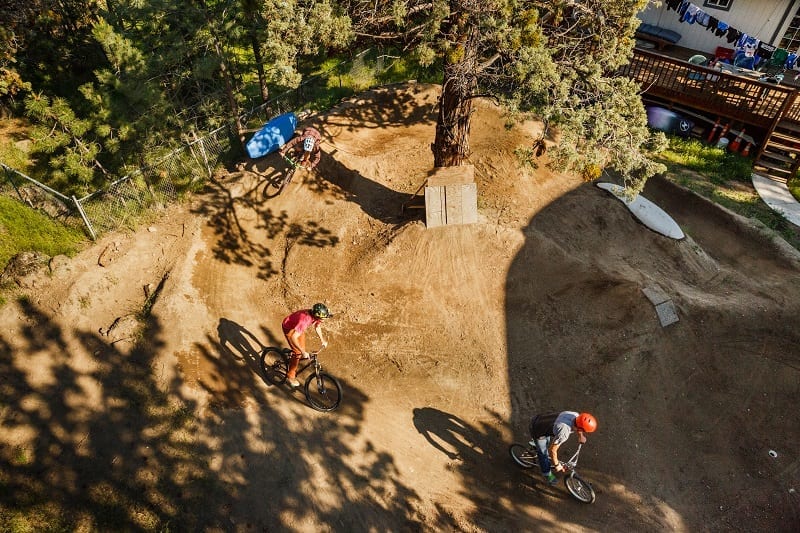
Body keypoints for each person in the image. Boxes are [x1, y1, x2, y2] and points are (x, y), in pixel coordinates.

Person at [528, 411, 598, 485]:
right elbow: (552, 450)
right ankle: (547, 474)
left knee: (546, 442)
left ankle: (536, 445)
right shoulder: (564, 432)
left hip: (541, 419)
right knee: (544, 455)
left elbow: (579, 426)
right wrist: (557, 465)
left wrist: (581, 436)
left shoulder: (575, 415)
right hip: (536, 429)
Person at [281, 303, 332, 387]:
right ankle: (290, 376)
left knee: (302, 351)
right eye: (324, 317)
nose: (325, 319)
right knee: (298, 352)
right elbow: (294, 337)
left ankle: (291, 357)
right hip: (289, 328)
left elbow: (317, 326)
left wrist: (322, 340)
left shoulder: (316, 315)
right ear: (317, 316)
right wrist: (302, 351)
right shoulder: (304, 321)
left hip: (297, 328)